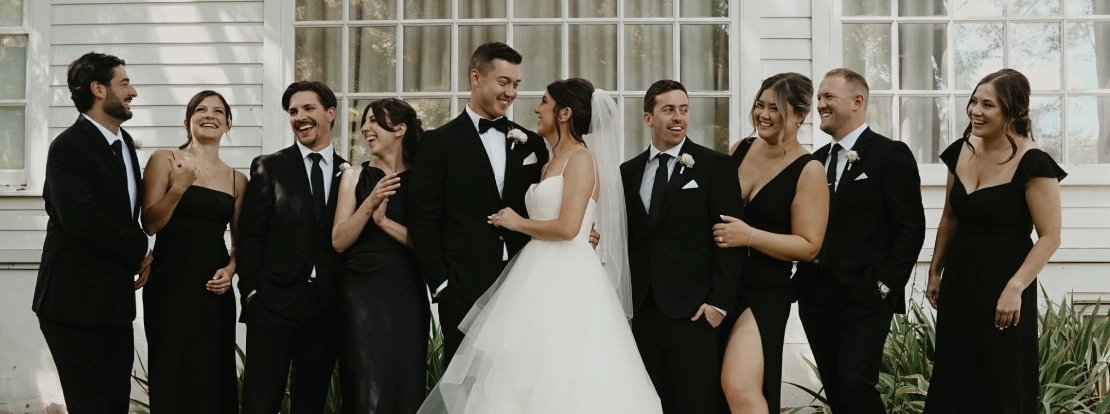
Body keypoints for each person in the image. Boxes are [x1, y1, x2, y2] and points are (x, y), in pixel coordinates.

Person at [419, 78, 661, 413]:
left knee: (562, 370)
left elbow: (567, 227)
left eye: (543, 102)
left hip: (568, 279)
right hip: (533, 274)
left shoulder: (581, 159)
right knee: (517, 371)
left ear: (563, 113)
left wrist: (515, 221)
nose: (536, 107)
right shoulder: (547, 162)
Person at [409, 42, 597, 366]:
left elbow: (557, 201)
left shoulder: (534, 142)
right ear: (476, 77)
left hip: (528, 286)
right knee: (467, 389)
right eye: (503, 82)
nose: (511, 92)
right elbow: (422, 217)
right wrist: (441, 284)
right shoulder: (437, 143)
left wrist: (582, 233)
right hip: (463, 289)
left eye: (516, 84)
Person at [923, 69, 1064, 414]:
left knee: (1003, 380)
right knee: (954, 378)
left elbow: (1050, 237)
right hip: (960, 283)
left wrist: (1015, 288)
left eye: (988, 105)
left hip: (1005, 286)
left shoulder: (1034, 161)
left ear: (1013, 112)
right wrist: (935, 271)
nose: (976, 111)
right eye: (974, 101)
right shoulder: (959, 151)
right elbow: (950, 217)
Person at [792, 68, 926, 414]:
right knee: (836, 388)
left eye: (828, 97)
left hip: (866, 295)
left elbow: (911, 227)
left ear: (857, 101)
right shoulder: (814, 162)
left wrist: (886, 285)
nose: (820, 104)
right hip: (816, 296)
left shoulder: (890, 154)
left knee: (856, 382)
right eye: (819, 98)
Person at [32, 52, 152, 414]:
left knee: (115, 405)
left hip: (115, 303)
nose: (133, 91)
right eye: (124, 83)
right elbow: (81, 220)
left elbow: (126, 213)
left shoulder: (125, 143)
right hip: (71, 304)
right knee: (92, 407)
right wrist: (139, 248)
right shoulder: (69, 147)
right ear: (98, 89)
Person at [621, 79, 744, 414]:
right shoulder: (627, 172)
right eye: (668, 110)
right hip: (643, 311)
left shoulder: (714, 166)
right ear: (648, 118)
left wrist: (718, 304)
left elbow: (729, 239)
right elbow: (627, 236)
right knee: (654, 403)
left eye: (684, 110)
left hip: (695, 312)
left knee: (698, 404)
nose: (678, 117)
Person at [713, 73, 828, 414]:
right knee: (709, 389)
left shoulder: (809, 170)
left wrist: (749, 236)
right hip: (719, 283)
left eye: (774, 108)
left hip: (764, 291)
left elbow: (809, 245)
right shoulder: (740, 149)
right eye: (759, 105)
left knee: (740, 385)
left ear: (798, 115)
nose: (763, 114)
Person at [237, 80, 348, 414]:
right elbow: (249, 235)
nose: (300, 116)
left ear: (330, 113)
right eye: (293, 111)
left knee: (310, 402)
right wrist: (252, 293)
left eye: (308, 108)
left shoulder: (352, 173)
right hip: (273, 304)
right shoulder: (269, 166)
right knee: (261, 400)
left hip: (326, 307)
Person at [140, 90, 245, 413]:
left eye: (218, 111)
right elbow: (151, 223)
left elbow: (240, 242)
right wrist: (180, 186)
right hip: (169, 282)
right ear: (187, 122)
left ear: (228, 124)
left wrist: (230, 270)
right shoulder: (166, 159)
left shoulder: (237, 180)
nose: (210, 115)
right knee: (171, 366)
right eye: (201, 109)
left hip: (213, 288)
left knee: (213, 368)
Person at [332, 98, 431, 413]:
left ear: (400, 129)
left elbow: (428, 243)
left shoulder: (423, 178)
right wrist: (369, 203)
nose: (365, 128)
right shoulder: (354, 176)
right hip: (361, 292)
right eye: (365, 122)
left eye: (374, 121)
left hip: (407, 289)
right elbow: (338, 241)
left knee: (405, 377)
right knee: (366, 379)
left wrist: (384, 222)